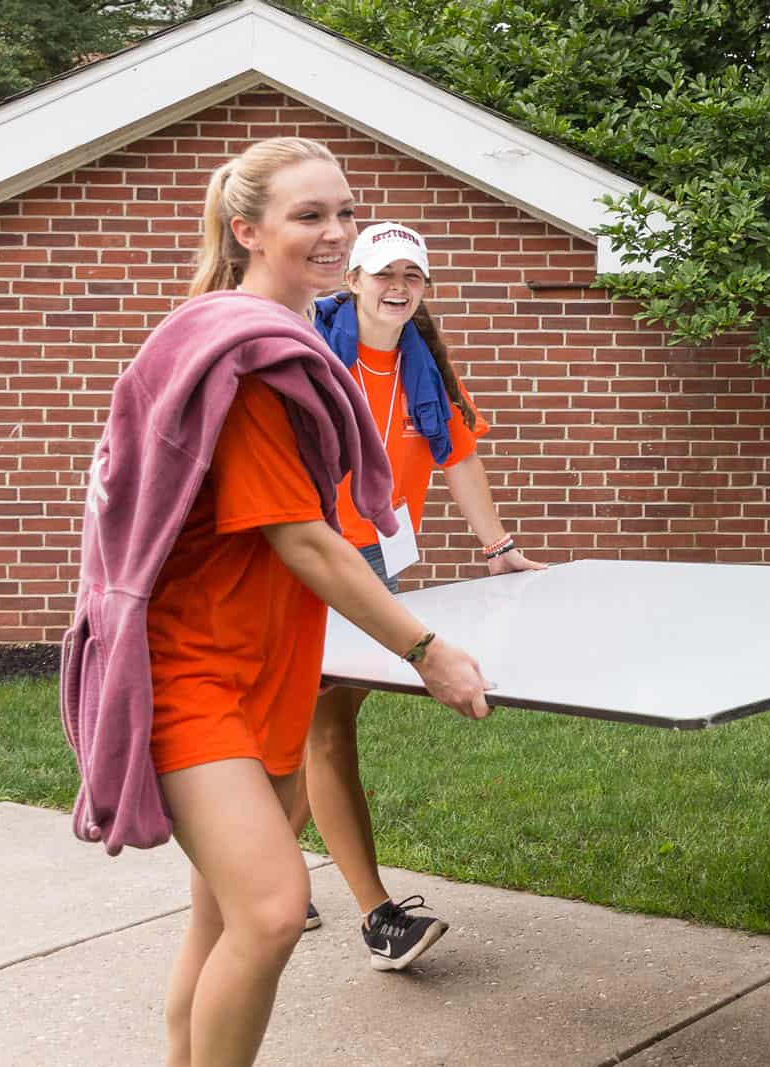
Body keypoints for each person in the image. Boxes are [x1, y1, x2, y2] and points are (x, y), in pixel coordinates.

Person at [60, 137, 493, 1067]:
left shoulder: (280, 346)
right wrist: (428, 649)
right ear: (246, 229)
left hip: (274, 668)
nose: (336, 232)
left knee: (220, 926)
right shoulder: (250, 365)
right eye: (310, 216)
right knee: (269, 911)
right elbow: (301, 537)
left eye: (344, 211)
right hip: (194, 673)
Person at [290, 219, 545, 970]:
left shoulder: (425, 365)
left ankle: (262, 866)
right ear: (355, 280)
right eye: (383, 273)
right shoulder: (309, 352)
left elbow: (458, 457)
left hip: (374, 559)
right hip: (305, 552)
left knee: (324, 721)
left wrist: (497, 548)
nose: (398, 287)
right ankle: (377, 917)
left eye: (413, 275)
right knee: (326, 726)